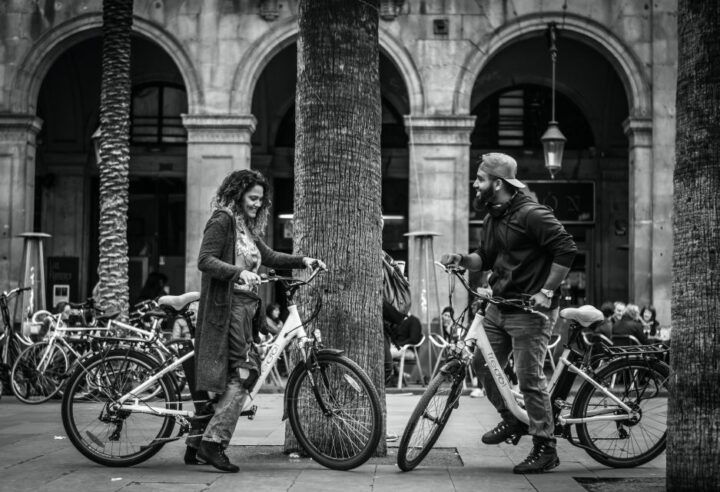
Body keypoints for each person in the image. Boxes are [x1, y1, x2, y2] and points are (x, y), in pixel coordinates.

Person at [440, 152, 577, 474]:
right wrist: (461, 258)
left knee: (530, 378)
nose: (475, 184)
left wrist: (546, 292)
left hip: (530, 311)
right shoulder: (493, 217)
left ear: (497, 183)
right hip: (500, 307)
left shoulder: (532, 214)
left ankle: (546, 447)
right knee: (482, 366)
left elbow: (567, 248)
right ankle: (513, 419)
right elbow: (484, 257)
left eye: (480, 179)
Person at [189, 169, 326, 472]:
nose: (256, 204)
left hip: (247, 309)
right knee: (245, 373)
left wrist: (303, 261)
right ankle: (213, 443)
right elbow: (205, 260)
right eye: (252, 198)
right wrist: (239, 272)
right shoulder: (222, 220)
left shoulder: (245, 228)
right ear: (238, 194)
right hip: (229, 309)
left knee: (233, 377)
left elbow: (269, 255)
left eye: (260, 200)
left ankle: (197, 442)